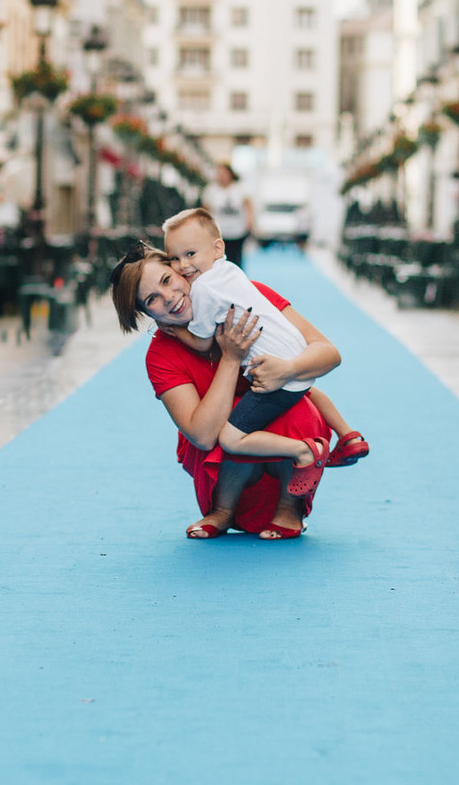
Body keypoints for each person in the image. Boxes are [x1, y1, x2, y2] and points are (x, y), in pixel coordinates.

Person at [110, 246, 338, 540]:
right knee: (232, 418)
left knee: (300, 408)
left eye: (167, 280)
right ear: (145, 313)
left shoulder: (247, 294)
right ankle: (221, 511)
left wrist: (290, 368)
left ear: (181, 270)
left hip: (284, 457)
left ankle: (289, 510)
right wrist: (231, 358)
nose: (168, 298)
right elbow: (203, 435)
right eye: (152, 299)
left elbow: (329, 353)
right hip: (221, 461)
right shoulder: (161, 354)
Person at [162, 207, 370, 472]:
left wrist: (176, 330)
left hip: (272, 373)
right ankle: (348, 434)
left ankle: (305, 451)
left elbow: (202, 342)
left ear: (217, 248)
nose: (183, 265)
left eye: (190, 254)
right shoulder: (231, 271)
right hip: (295, 351)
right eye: (174, 259)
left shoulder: (202, 289)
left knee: (230, 439)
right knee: (307, 390)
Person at [201, 162, 254, 264]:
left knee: (236, 259)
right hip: (219, 232)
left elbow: (248, 207)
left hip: (237, 231)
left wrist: (249, 223)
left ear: (230, 173)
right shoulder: (211, 189)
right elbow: (205, 210)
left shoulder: (240, 188)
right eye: (219, 173)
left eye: (223, 173)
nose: (221, 176)